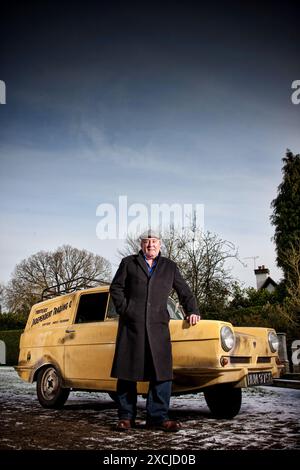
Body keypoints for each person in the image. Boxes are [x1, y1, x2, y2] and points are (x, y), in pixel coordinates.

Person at [110, 229, 201, 432]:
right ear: (141, 244)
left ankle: (158, 418)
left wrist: (192, 310)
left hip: (158, 327)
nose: (150, 245)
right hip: (131, 327)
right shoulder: (128, 263)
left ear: (160, 244)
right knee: (127, 373)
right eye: (146, 241)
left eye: (154, 241)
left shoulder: (169, 266)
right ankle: (126, 417)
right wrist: (126, 309)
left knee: (161, 374)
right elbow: (116, 288)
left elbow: (184, 290)